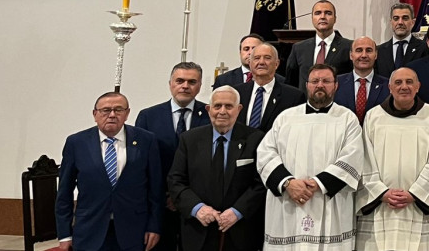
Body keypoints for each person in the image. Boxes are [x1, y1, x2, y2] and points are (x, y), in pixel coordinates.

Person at [257, 64, 365, 250]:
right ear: (307, 85)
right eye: (315, 81)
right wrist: (288, 183)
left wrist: (316, 184)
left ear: (336, 85)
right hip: (288, 201)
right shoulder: (286, 117)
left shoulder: (347, 118)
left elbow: (352, 157)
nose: (320, 85)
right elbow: (265, 153)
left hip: (329, 201)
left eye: (326, 81)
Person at [354, 67, 429, 251]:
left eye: (409, 82)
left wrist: (415, 194)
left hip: (418, 206)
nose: (404, 87)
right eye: (398, 82)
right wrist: (381, 193)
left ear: (418, 86)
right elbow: (365, 159)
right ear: (389, 87)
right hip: (381, 206)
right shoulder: (374, 116)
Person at [56, 92, 162, 251]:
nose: (112, 115)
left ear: (127, 114)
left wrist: (154, 226)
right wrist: (64, 234)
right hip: (90, 230)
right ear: (95, 114)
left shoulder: (146, 140)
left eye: (118, 110)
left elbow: (156, 188)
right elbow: (64, 192)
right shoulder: (76, 143)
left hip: (134, 230)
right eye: (105, 110)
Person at [168, 86, 266, 251]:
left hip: (240, 232)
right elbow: (176, 180)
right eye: (217, 106)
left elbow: (260, 182)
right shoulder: (189, 139)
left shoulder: (256, 139)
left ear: (239, 109)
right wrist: (198, 208)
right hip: (197, 231)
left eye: (228, 106)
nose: (222, 111)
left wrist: (237, 211)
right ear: (208, 109)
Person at [135, 62, 211, 251]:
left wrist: (184, 199)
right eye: (180, 81)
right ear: (170, 84)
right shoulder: (148, 116)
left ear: (199, 86)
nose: (185, 86)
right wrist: (168, 196)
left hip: (198, 203)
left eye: (192, 81)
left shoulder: (210, 115)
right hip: (159, 203)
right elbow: (141, 164)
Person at [234, 43, 305, 133]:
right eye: (257, 58)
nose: (261, 62)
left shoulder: (294, 97)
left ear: (276, 64)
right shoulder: (237, 93)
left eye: (267, 58)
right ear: (250, 64)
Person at [285, 0, 353, 88]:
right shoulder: (299, 48)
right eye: (318, 13)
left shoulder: (348, 47)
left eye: (328, 13)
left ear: (335, 19)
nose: (323, 17)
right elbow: (291, 83)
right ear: (312, 18)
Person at [334, 37, 391, 124]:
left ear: (375, 55)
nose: (364, 55)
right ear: (351, 55)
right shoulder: (336, 83)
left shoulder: (389, 86)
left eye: (369, 50)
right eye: (359, 50)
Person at [377, 3, 429, 78]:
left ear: (413, 22)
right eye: (396, 18)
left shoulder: (424, 48)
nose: (400, 22)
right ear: (391, 22)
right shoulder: (379, 51)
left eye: (405, 18)